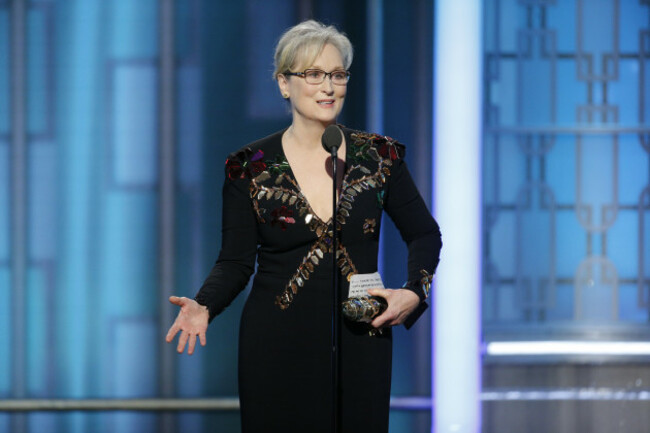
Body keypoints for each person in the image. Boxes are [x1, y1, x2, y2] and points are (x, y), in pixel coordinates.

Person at [165, 20, 441, 433]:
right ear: (284, 83)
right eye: (313, 75)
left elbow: (424, 233)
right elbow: (236, 262)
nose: (328, 87)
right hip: (276, 343)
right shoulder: (249, 168)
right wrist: (206, 303)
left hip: (361, 338)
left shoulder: (380, 156)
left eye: (337, 74)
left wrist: (414, 293)